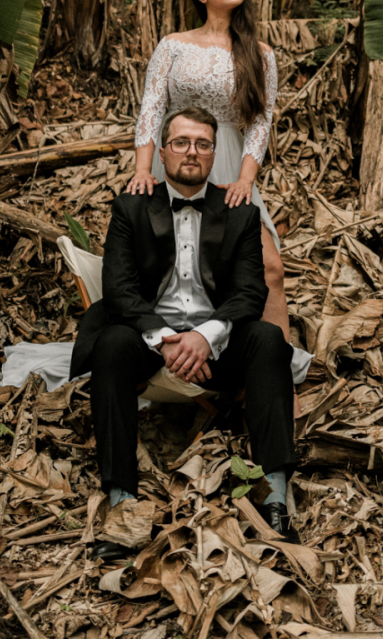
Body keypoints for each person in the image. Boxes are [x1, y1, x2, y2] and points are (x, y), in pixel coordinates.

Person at [72, 107, 298, 560]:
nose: (191, 152)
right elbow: (119, 290)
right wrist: (164, 337)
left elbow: (250, 292)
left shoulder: (239, 210)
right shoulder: (131, 206)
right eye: (180, 142)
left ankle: (274, 496)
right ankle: (122, 502)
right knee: (113, 344)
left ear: (215, 153)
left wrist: (205, 336)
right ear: (163, 150)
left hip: (216, 346)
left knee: (270, 340)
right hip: (150, 343)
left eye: (202, 144)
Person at [128, 0, 290, 342]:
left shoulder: (260, 53)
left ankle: (276, 372)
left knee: (270, 268)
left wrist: (245, 181)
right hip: (180, 158)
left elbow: (260, 121)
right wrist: (142, 170)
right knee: (177, 264)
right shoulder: (173, 45)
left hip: (231, 164)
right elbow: (151, 109)